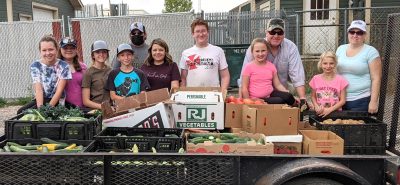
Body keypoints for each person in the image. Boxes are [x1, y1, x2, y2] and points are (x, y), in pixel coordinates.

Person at [238, 18, 306, 105]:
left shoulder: (291, 47)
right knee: (280, 102)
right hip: (255, 96)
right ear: (267, 33)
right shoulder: (255, 47)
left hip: (275, 91)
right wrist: (244, 101)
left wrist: (302, 98)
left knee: (287, 98)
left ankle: (298, 107)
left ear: (284, 34)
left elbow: (297, 74)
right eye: (273, 32)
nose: (276, 36)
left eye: (280, 33)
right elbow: (243, 81)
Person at [336, 20, 382, 113]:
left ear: (365, 35)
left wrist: (373, 102)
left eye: (359, 33)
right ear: (348, 33)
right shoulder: (340, 49)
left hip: (361, 100)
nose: (355, 35)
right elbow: (334, 73)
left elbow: (376, 78)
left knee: (356, 127)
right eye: (352, 32)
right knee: (338, 126)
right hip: (339, 99)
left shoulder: (371, 52)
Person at [17, 35, 72, 114]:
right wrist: (40, 111)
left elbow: (59, 91)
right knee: (20, 112)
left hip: (57, 100)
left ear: (56, 49)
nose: (48, 53)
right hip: (41, 99)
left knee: (52, 118)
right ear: (40, 51)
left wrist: (48, 109)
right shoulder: (35, 65)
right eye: (44, 50)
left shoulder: (64, 66)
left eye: (51, 49)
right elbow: (38, 90)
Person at [179, 18, 230, 90]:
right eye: (197, 31)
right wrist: (184, 93)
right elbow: (183, 78)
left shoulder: (218, 51)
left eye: (203, 31)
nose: (201, 34)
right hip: (192, 96)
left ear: (208, 32)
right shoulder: (186, 53)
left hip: (213, 96)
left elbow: (225, 76)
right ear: (193, 34)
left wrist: (222, 93)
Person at [241, 38, 295, 105]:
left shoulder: (271, 66)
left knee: (288, 96)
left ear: (268, 51)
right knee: (280, 101)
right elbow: (244, 87)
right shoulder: (248, 67)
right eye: (257, 51)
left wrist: (287, 92)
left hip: (270, 94)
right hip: (255, 99)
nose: (260, 54)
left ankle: (298, 107)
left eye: (263, 51)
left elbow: (277, 85)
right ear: (252, 52)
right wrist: (248, 101)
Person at [309, 51, 348, 117]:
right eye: (325, 63)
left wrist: (330, 109)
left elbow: (343, 100)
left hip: (336, 113)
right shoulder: (315, 79)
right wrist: (316, 106)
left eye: (331, 63)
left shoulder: (341, 80)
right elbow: (313, 96)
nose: (328, 66)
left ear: (335, 64)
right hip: (320, 113)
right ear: (321, 64)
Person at [82, 40, 112, 109]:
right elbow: (85, 101)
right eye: (98, 52)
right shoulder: (88, 73)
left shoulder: (111, 71)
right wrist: (104, 107)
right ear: (93, 55)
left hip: (110, 108)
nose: (101, 54)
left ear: (107, 54)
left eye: (104, 52)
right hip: (95, 110)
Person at [59, 37, 87, 108]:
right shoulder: (56, 67)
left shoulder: (83, 67)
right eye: (65, 48)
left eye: (72, 48)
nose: (69, 50)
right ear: (60, 49)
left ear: (76, 49)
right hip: (64, 109)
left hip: (82, 108)